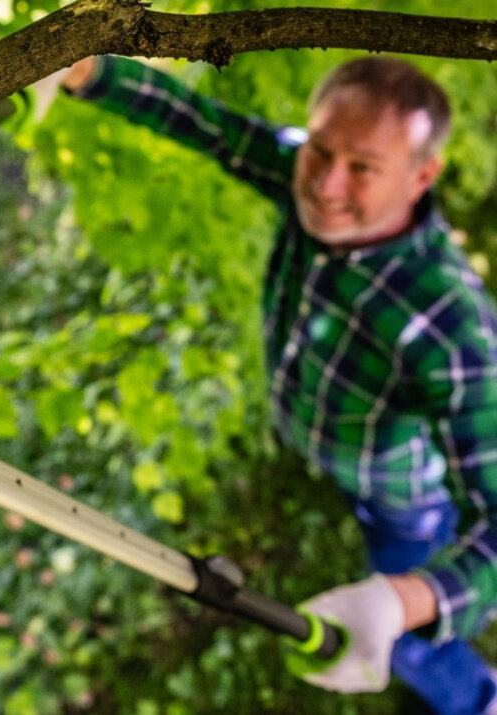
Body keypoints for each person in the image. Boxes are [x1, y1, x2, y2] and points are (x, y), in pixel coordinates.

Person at [50, 55, 497, 714]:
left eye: (362, 168)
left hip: (403, 497)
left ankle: (479, 699)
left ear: (421, 175)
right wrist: (88, 70)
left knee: (403, 642)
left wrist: (403, 600)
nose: (324, 183)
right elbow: (213, 128)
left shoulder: (450, 326)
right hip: (333, 452)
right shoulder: (306, 176)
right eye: (318, 150)